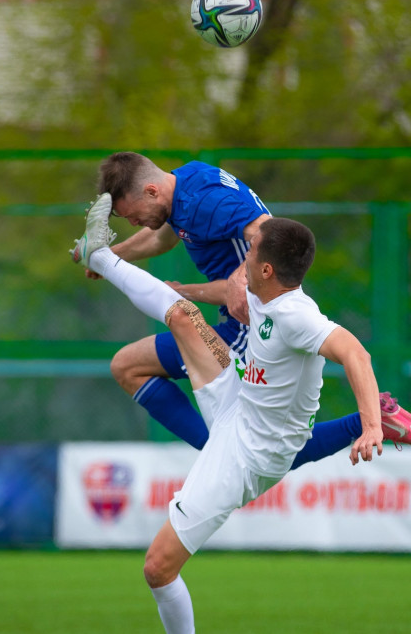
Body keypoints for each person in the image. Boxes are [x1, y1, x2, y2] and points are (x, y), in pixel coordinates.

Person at [74, 195, 385, 632]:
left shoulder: (296, 315)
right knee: (182, 317)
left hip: (249, 455)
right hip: (235, 400)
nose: (245, 254)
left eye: (252, 250)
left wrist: (371, 425)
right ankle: (99, 255)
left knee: (157, 568)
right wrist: (182, 290)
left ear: (266, 269)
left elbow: (356, 353)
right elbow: (226, 290)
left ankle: (380, 420)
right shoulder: (262, 291)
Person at [77, 152, 411, 465]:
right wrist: (110, 255)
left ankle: (220, 458)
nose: (132, 222)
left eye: (132, 214)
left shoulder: (205, 201)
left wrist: (233, 281)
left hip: (252, 335)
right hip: (233, 325)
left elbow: (266, 232)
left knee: (257, 455)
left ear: (151, 190)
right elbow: (162, 236)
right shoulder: (185, 187)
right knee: (128, 366)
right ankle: (222, 458)